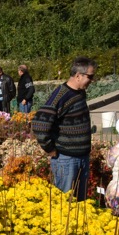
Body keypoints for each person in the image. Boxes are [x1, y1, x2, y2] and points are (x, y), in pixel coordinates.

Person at [31, 56, 97, 200]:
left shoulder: (79, 93)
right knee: (63, 204)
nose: (92, 81)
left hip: (82, 157)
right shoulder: (61, 96)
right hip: (66, 159)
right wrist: (49, 148)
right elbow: (39, 123)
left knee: (80, 205)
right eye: (90, 77)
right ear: (78, 76)